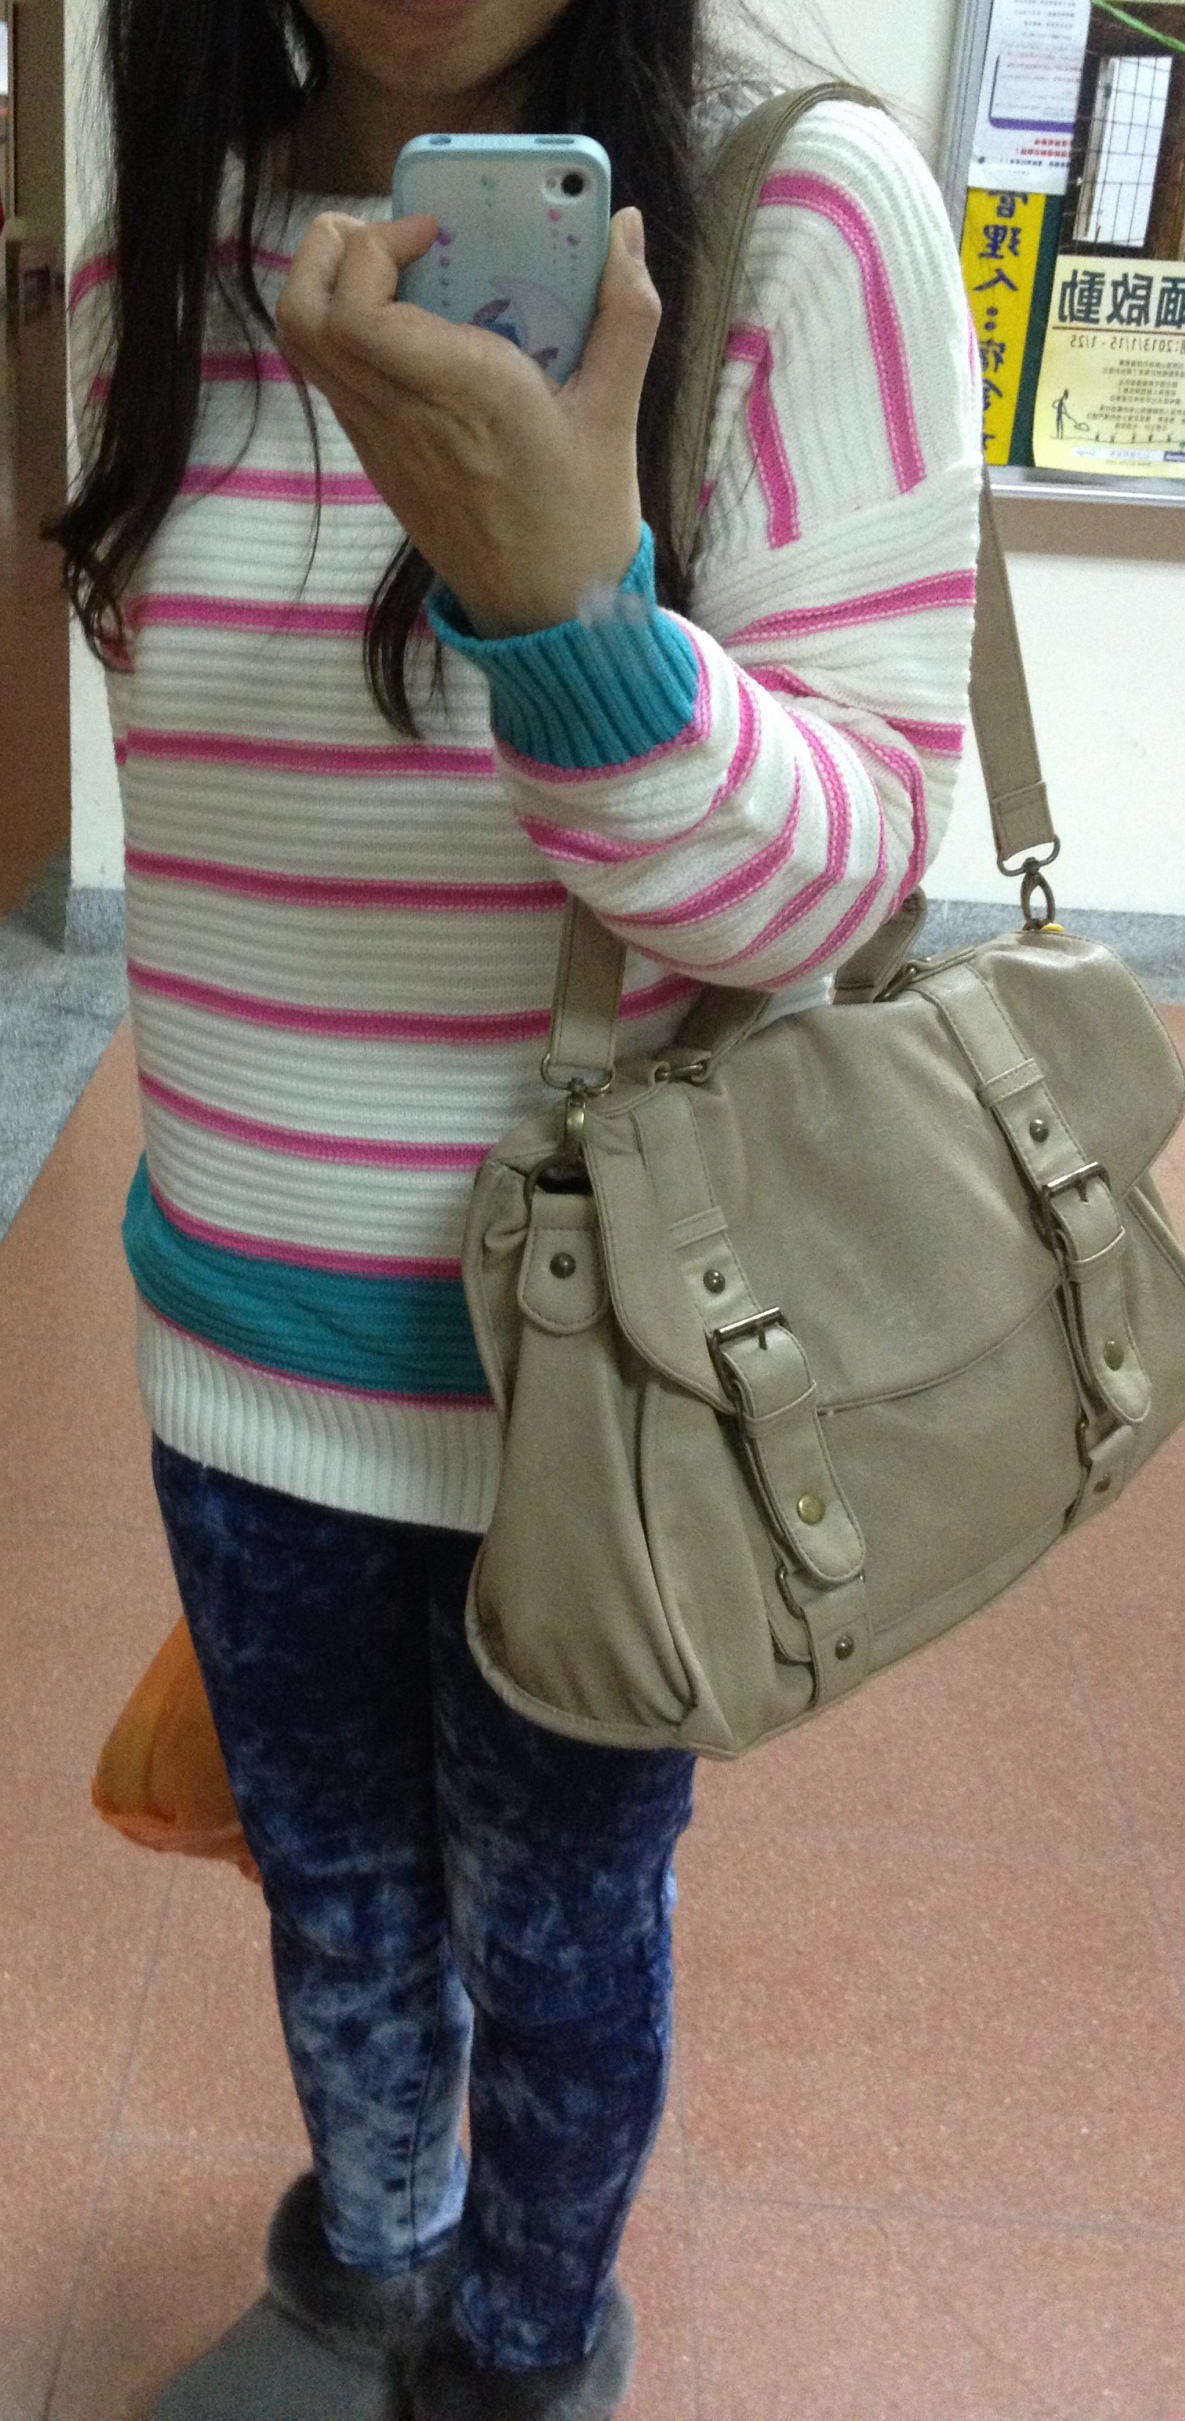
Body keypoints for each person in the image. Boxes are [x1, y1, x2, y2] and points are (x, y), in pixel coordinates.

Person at [54, 1, 982, 2413]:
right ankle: (370, 2256)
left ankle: (521, 2343)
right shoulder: (164, 237)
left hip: (597, 1374)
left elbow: (849, 869)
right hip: (230, 1328)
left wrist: (568, 614)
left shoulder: (797, 213)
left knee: (559, 1936)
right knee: (331, 1887)